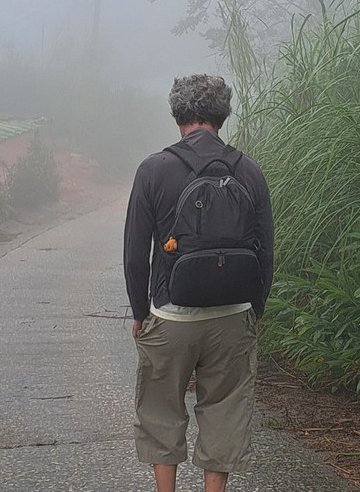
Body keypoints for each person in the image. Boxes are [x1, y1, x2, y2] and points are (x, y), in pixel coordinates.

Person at [124, 74, 274, 492]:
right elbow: (266, 253)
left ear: (177, 115)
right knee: (224, 410)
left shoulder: (154, 169)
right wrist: (253, 313)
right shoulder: (249, 171)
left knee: (160, 409)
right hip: (233, 316)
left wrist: (141, 314)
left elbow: (136, 255)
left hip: (170, 315)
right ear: (222, 115)